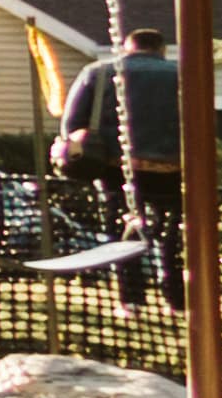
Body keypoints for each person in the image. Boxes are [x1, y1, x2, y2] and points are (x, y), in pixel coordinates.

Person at [53, 39, 192, 297]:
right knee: (172, 233)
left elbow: (71, 126)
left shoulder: (99, 72)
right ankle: (175, 296)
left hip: (115, 167)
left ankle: (131, 298)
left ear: (128, 48)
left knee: (119, 230)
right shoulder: (183, 74)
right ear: (160, 50)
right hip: (170, 168)